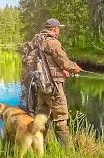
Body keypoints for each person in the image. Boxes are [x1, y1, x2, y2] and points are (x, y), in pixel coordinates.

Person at [31, 18, 83, 148]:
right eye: (58, 28)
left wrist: (62, 71)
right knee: (61, 118)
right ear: (54, 29)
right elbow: (64, 62)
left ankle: (38, 147)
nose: (59, 30)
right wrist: (75, 68)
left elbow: (48, 64)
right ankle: (65, 152)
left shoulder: (37, 41)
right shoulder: (53, 43)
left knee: (41, 118)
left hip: (41, 87)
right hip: (53, 88)